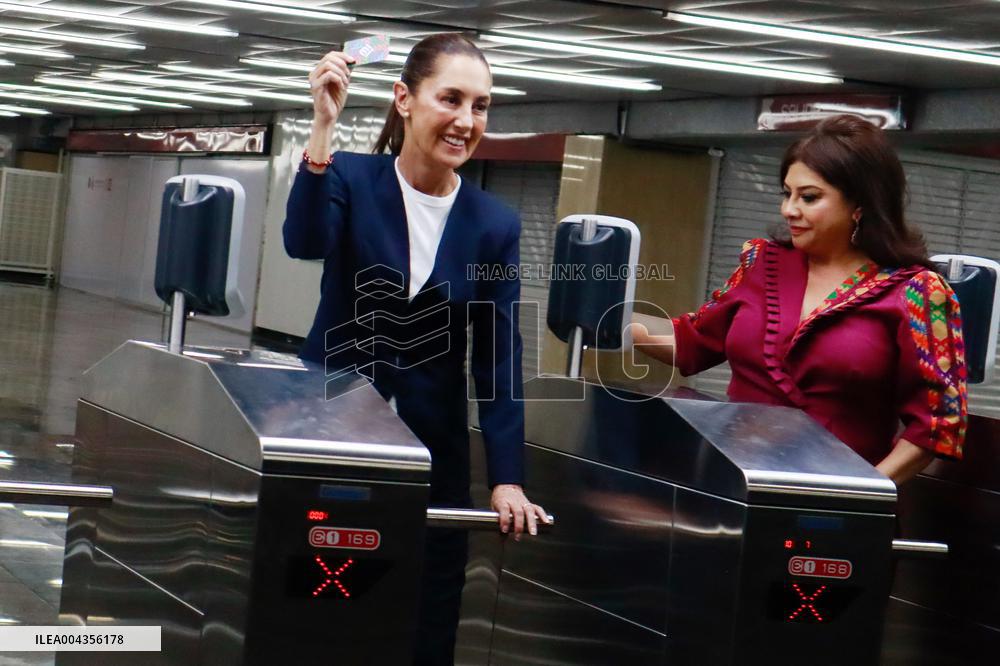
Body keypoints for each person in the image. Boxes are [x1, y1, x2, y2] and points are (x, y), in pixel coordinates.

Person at [283, 33, 549, 665]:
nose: (466, 120)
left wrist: (507, 478)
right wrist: (322, 129)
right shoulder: (350, 176)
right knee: (321, 608)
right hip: (333, 436)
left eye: (480, 106)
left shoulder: (494, 224)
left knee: (427, 616)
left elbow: (498, 357)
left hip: (435, 455)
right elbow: (304, 241)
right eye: (450, 99)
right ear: (404, 99)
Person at [632, 114, 966, 484]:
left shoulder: (918, 292)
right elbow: (692, 341)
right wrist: (609, 315)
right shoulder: (762, 263)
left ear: (860, 205)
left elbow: (937, 425)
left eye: (808, 197)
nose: (789, 209)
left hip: (836, 499)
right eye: (786, 194)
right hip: (731, 486)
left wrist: (861, 495)